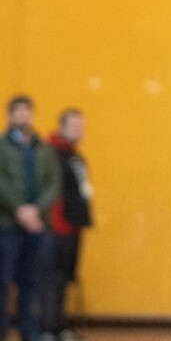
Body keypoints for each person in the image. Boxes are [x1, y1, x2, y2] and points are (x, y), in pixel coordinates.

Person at [0, 96, 60, 341]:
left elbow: (53, 184)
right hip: (7, 225)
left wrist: (36, 210)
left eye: (27, 111)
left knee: (31, 281)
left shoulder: (44, 149)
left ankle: (30, 330)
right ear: (9, 116)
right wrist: (19, 210)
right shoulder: (2, 148)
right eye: (18, 111)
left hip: (37, 226)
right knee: (3, 281)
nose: (23, 116)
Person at [39, 108, 93, 341]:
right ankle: (46, 329)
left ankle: (59, 326)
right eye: (73, 126)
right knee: (51, 279)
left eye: (81, 126)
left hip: (74, 226)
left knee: (64, 278)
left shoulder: (76, 157)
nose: (78, 130)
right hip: (56, 227)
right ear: (61, 126)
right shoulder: (50, 153)